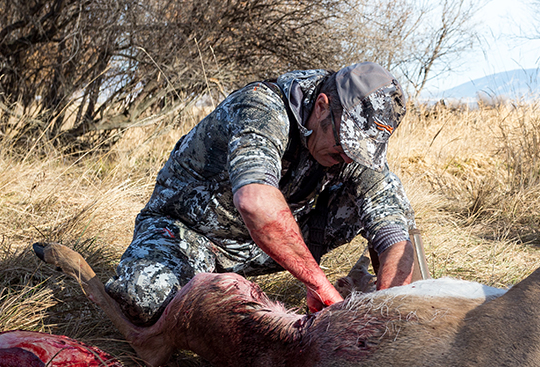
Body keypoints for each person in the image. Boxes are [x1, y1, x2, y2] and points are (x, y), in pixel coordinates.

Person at [105, 62, 416, 325]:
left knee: (389, 208)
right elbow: (253, 202)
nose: (349, 157)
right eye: (345, 145)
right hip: (191, 233)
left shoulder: (345, 139)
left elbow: (394, 226)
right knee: (145, 299)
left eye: (358, 150)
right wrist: (317, 283)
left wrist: (387, 313)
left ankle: (378, 296)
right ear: (321, 106)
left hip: (260, 247)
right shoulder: (261, 107)